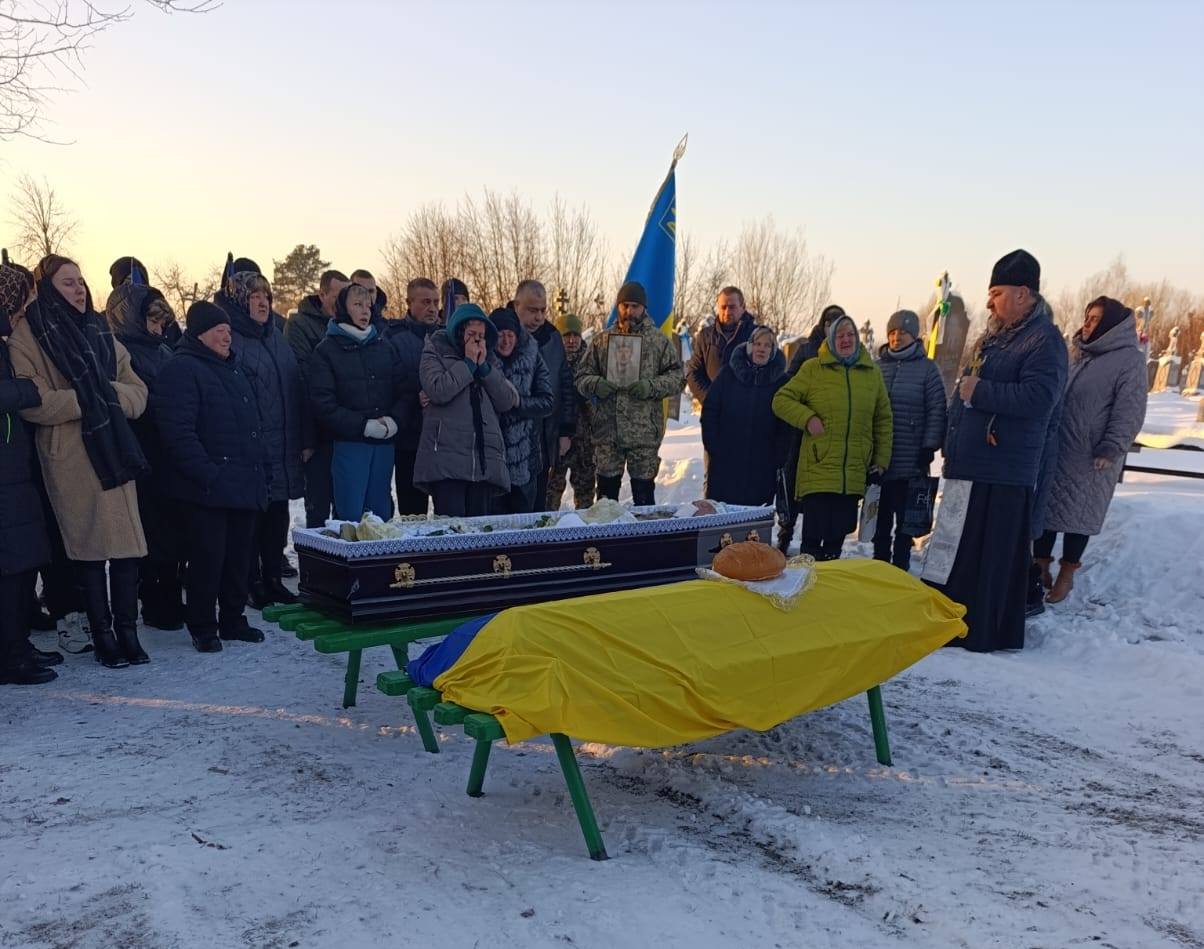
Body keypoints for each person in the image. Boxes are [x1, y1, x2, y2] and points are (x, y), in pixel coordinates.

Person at [9, 255, 151, 668]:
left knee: (127, 549)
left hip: (115, 449)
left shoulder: (99, 328)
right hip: (71, 454)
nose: (79, 290)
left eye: (80, 281)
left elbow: (137, 390)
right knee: (89, 552)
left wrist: (109, 396)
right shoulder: (29, 333)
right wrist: (86, 400)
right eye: (68, 283)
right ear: (48, 288)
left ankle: (128, 632)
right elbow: (33, 401)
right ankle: (103, 636)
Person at [926, 249, 1068, 652]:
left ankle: (982, 632)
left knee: (988, 558)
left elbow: (1040, 398)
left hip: (1002, 470)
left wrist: (981, 391)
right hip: (971, 464)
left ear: (1023, 293)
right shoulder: (993, 338)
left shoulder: (1044, 340)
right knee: (960, 552)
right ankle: (952, 622)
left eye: (996, 293)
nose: (989, 303)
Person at [155, 301, 269, 652]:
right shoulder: (182, 369)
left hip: (243, 481)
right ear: (200, 334)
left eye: (229, 330)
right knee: (207, 560)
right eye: (219, 330)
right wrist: (208, 474)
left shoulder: (234, 368)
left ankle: (233, 619)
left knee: (239, 558)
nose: (227, 337)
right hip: (206, 488)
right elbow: (177, 432)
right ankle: (203, 625)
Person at [1037, 296, 1147, 604]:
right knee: (1046, 509)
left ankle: (1066, 572)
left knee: (1078, 514)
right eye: (1087, 317)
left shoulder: (1129, 360)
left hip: (1092, 455)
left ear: (1110, 325)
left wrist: (1112, 446)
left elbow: (1130, 409)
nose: (1087, 324)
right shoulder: (1076, 352)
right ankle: (1039, 566)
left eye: (1095, 319)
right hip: (1058, 447)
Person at [772, 314, 892, 561]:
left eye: (850, 335)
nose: (846, 340)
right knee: (812, 542)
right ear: (831, 339)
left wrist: (881, 460)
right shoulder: (813, 368)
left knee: (836, 541)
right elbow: (781, 400)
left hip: (853, 470)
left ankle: (829, 581)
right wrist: (808, 418)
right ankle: (807, 581)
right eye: (840, 335)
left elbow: (882, 418)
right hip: (819, 468)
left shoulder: (872, 373)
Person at [221, 270, 308, 608]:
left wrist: (303, 437)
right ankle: (251, 581)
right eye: (254, 297)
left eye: (266, 297)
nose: (262, 303)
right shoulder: (233, 340)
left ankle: (273, 577)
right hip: (252, 448)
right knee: (252, 521)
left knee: (277, 516)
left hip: (283, 445)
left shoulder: (277, 337)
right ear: (239, 301)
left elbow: (295, 388)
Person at [105, 277, 186, 629]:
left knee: (170, 531)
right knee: (149, 533)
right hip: (140, 451)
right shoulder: (119, 353)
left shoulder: (163, 350)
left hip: (167, 452)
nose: (158, 329)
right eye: (152, 321)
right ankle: (154, 602)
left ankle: (167, 597)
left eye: (162, 322)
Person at [0, 264, 58, 685]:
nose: (29, 307)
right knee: (9, 567)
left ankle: (18, 643)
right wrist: (28, 389)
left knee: (21, 564)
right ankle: (10, 656)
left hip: (14, 469)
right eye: (25, 299)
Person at [576, 282, 684, 506]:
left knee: (644, 501)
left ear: (644, 308)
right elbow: (581, 377)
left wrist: (651, 386)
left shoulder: (658, 342)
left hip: (643, 435)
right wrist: (596, 383)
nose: (629, 311)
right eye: (624, 305)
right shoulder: (602, 341)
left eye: (635, 306)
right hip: (608, 434)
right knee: (606, 503)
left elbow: (677, 378)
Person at [309, 284, 407, 522]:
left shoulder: (384, 347)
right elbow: (323, 404)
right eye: (357, 305)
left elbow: (405, 391)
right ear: (343, 309)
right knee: (350, 516)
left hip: (384, 443)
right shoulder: (326, 351)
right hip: (348, 444)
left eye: (368, 306)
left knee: (380, 517)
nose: (365, 311)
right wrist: (363, 425)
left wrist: (395, 420)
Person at [414, 303, 518, 516]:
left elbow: (506, 401)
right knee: (452, 527)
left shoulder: (489, 359)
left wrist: (484, 369)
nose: (476, 340)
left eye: (481, 335)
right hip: (447, 457)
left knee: (479, 528)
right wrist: (468, 364)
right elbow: (438, 390)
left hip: (484, 459)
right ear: (458, 333)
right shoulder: (435, 349)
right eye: (471, 334)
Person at [872, 309, 947, 570]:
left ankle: (900, 564)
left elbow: (936, 408)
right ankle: (880, 564)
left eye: (903, 332)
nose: (896, 337)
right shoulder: (877, 367)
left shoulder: (927, 369)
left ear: (914, 336)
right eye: (892, 332)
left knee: (905, 519)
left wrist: (929, 445)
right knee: (879, 516)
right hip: (880, 458)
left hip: (911, 456)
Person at [776, 304, 848, 552]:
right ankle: (786, 532)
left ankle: (822, 540)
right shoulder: (808, 350)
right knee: (793, 481)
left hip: (831, 432)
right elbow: (789, 382)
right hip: (802, 429)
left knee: (821, 491)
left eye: (837, 323)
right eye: (828, 323)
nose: (831, 328)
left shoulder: (846, 354)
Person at [286, 269, 350, 527]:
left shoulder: (352, 325)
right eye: (337, 296)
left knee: (346, 510)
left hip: (346, 432)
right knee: (318, 510)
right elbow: (302, 380)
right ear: (322, 295)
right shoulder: (299, 325)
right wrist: (308, 437)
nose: (343, 302)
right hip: (318, 432)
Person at [700, 326, 789, 505]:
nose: (761, 349)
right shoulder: (728, 374)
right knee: (722, 516)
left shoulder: (782, 382)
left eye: (767, 345)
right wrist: (714, 447)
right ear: (749, 346)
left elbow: (786, 426)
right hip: (725, 464)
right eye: (757, 344)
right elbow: (710, 411)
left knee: (753, 520)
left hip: (762, 468)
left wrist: (777, 457)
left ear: (773, 350)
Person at [512, 280, 575, 510]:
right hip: (509, 438)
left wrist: (565, 430)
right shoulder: (501, 332)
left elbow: (565, 383)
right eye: (532, 310)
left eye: (542, 310)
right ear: (516, 305)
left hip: (544, 435)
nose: (538, 317)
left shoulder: (552, 337)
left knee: (538, 504)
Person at [491, 307, 553, 513]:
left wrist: (519, 402)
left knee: (524, 520)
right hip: (492, 459)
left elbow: (547, 401)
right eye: (500, 335)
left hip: (525, 459)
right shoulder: (481, 359)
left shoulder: (532, 357)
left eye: (510, 335)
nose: (506, 341)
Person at [387, 277, 440, 515]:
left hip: (442, 441)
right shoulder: (393, 337)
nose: (432, 308)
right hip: (408, 439)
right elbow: (387, 383)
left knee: (447, 515)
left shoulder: (448, 336)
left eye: (436, 302)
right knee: (412, 515)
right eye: (426, 302)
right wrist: (413, 396)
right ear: (409, 303)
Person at [547, 312, 596, 509]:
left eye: (576, 335)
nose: (572, 340)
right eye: (566, 335)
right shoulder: (550, 360)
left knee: (585, 496)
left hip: (585, 441)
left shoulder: (591, 362)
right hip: (557, 439)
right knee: (550, 493)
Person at [686, 286, 756, 404]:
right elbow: (693, 372)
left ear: (743, 307)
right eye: (723, 307)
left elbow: (768, 372)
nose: (727, 312)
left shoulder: (757, 335)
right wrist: (709, 398)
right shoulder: (705, 336)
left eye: (732, 307)